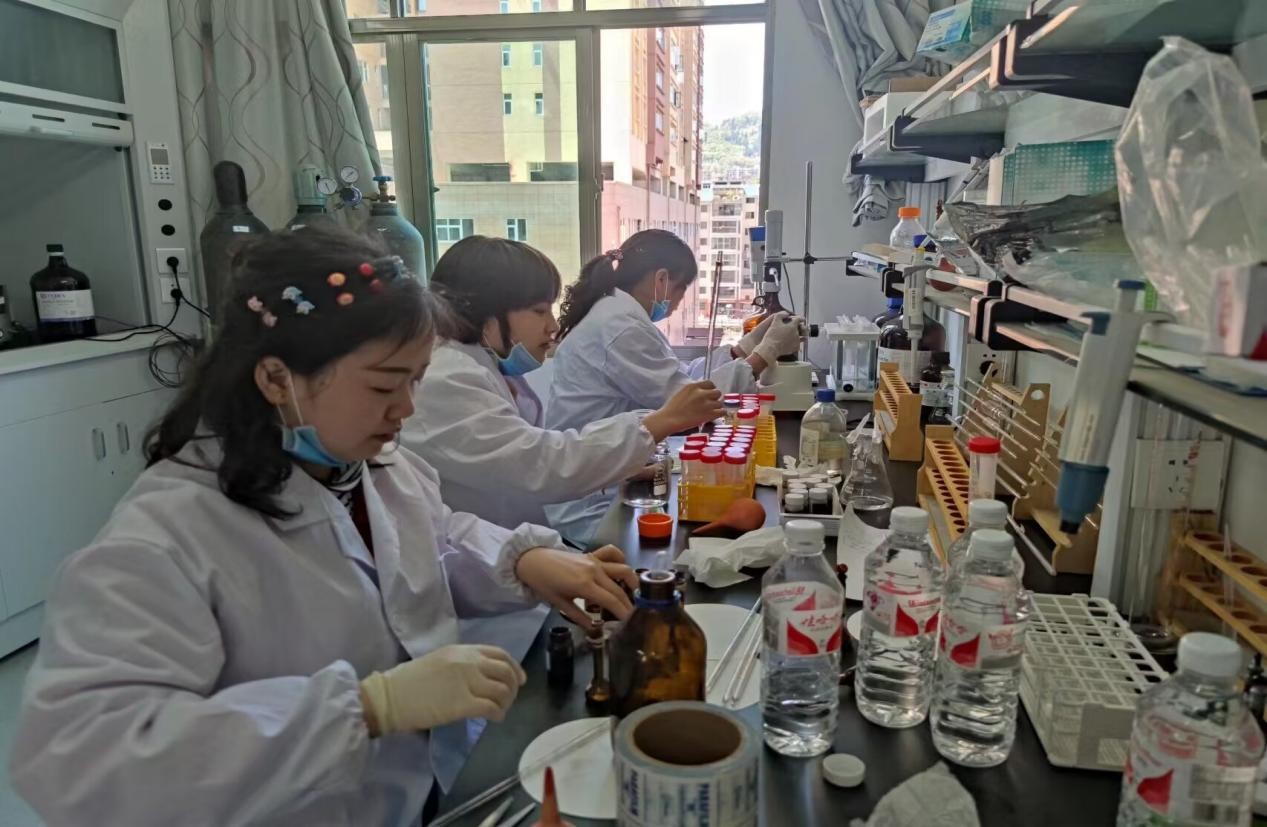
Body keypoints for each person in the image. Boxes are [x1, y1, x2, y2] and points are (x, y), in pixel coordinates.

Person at [8, 228, 638, 827]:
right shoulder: (167, 536)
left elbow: (432, 540)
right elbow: (82, 758)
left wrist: (522, 559)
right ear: (276, 378)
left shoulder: (375, 467)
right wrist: (365, 708)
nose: (407, 408)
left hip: (415, 789)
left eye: (415, 380)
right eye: (385, 385)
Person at [404, 235, 724, 532]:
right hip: (502, 550)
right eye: (539, 311)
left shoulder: (480, 366)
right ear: (486, 311)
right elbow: (540, 465)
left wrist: (622, 463)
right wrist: (657, 423)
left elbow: (527, 460)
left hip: (521, 538)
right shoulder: (448, 377)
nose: (553, 326)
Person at [543, 229, 804, 543]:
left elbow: (683, 377)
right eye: (681, 290)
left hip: (614, 473)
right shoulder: (620, 327)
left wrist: (744, 348)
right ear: (661, 279)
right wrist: (766, 353)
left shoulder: (619, 314)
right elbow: (688, 401)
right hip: (593, 503)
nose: (678, 303)